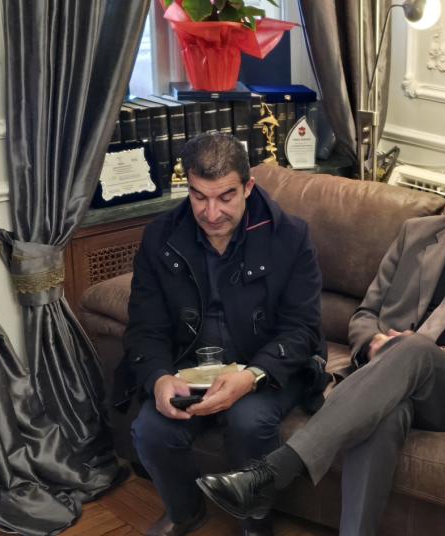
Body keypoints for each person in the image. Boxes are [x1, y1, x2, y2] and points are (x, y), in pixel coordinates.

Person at [196, 145, 445, 535]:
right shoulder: (417, 234)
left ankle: (275, 470)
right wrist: (373, 342)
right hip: (389, 378)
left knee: (416, 349)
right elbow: (364, 313)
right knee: (383, 416)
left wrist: (442, 354)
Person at [119, 133, 326, 536]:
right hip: (190, 367)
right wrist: (158, 378)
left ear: (248, 187)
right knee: (150, 429)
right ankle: (186, 513)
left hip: (268, 366)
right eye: (199, 197)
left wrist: (251, 376)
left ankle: (256, 525)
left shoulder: (290, 236)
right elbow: (145, 327)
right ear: (187, 187)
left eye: (225, 197)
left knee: (248, 421)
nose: (211, 213)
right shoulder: (160, 236)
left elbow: (302, 329)